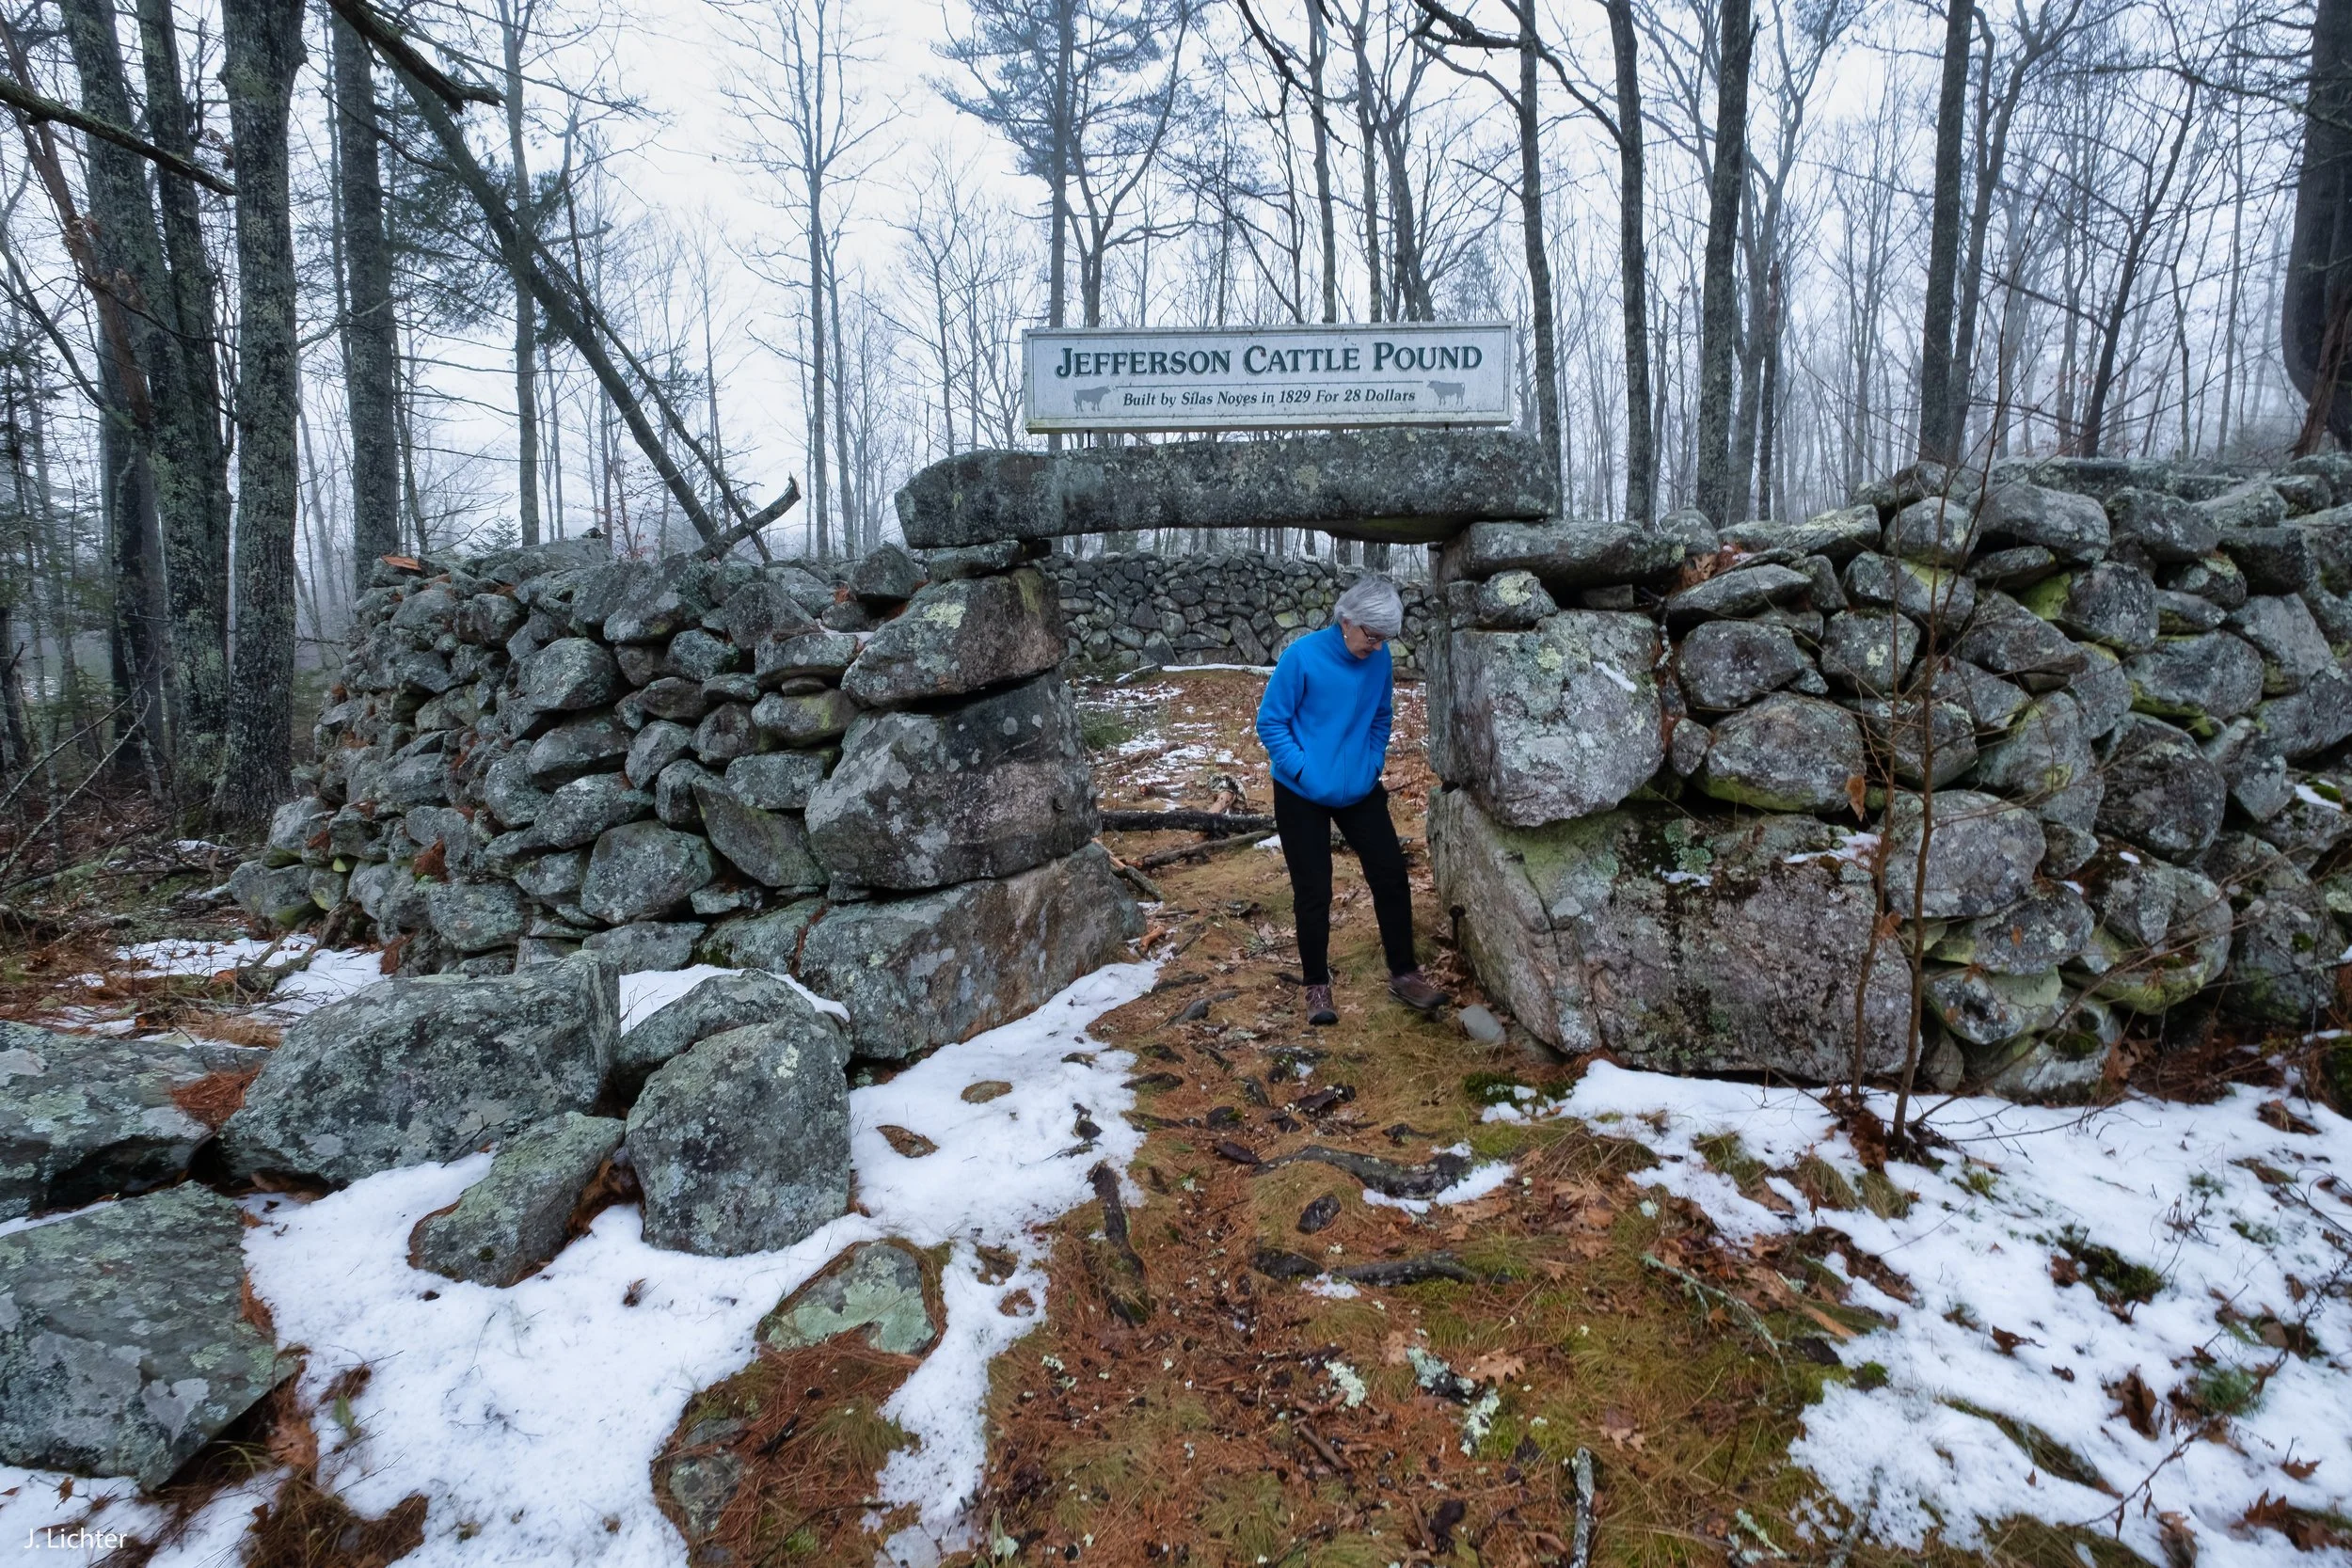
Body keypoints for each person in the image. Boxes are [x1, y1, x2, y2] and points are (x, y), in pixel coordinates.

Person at [1254, 575, 1449, 1025]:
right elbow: (1271, 723)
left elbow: (1382, 717)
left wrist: (1372, 763)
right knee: (1314, 890)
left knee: (1390, 875)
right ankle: (1316, 986)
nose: (1377, 647)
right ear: (1347, 620)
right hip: (1300, 791)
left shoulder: (1378, 661)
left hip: (1359, 788)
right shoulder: (1301, 658)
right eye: (1371, 635)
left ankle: (1404, 975)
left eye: (1385, 639)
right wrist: (1303, 769)